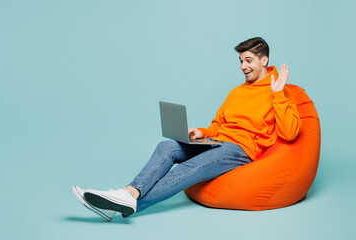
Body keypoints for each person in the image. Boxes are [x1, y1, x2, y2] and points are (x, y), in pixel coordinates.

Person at [72, 37, 301, 221]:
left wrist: (279, 94)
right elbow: (219, 124)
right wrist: (202, 133)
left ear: (264, 60)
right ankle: (128, 194)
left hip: (240, 150)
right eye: (241, 61)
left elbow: (290, 132)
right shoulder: (237, 92)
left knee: (189, 168)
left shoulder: (279, 89)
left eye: (248, 60)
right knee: (168, 146)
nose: (243, 67)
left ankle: (123, 201)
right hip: (219, 142)